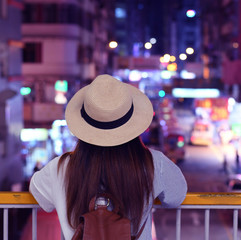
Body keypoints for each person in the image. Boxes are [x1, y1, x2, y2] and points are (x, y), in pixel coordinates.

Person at [29, 74, 188, 240]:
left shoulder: (61, 167)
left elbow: (38, 192)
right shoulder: (153, 163)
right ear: (131, 123)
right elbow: (176, 196)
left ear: (85, 125)